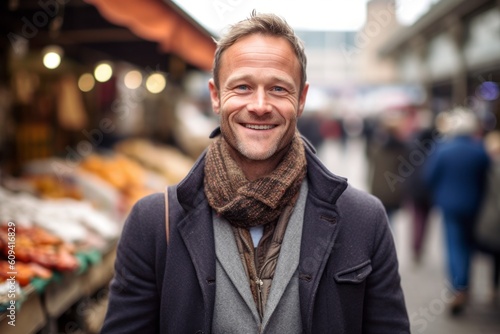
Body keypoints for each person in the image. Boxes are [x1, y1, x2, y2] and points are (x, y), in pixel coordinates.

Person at [101, 12, 409, 333]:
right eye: (243, 87)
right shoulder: (153, 223)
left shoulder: (363, 220)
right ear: (216, 96)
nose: (260, 105)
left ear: (301, 99)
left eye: (278, 89)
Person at [424, 109, 490, 315]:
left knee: (454, 245)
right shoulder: (479, 150)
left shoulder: (442, 149)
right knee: (467, 246)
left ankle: (458, 287)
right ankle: (465, 285)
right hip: (474, 205)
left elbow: (429, 176)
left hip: (449, 205)